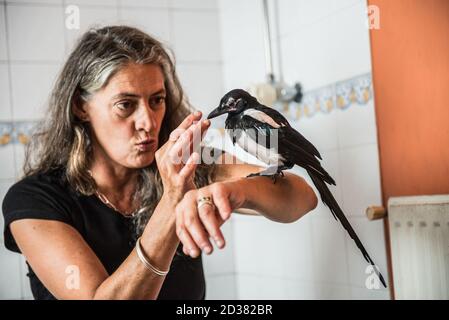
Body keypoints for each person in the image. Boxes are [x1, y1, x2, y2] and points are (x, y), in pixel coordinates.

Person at [1, 26, 318, 300]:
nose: (148, 123)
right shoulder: (33, 201)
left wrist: (240, 191)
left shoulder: (188, 163)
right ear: (81, 107)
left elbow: (302, 198)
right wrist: (172, 200)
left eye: (157, 100)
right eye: (125, 105)